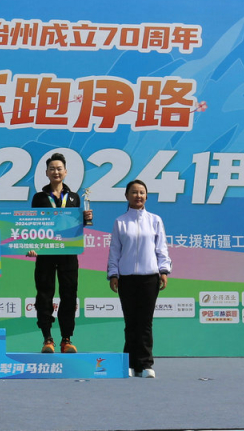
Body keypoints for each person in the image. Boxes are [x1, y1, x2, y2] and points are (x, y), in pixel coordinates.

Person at [28, 153, 92, 354]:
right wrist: (32, 245)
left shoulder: (74, 198)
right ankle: (47, 338)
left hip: (68, 253)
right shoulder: (39, 197)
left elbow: (74, 226)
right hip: (46, 253)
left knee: (69, 295)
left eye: (59, 168)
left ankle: (66, 339)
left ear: (65, 172)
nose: (56, 172)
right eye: (52, 169)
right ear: (46, 173)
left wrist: (85, 219)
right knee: (44, 295)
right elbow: (33, 224)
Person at [107, 179, 171, 378]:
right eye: (134, 192)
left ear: (146, 196)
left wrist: (163, 270)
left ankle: (145, 365)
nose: (138, 196)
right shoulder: (120, 222)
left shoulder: (155, 220)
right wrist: (113, 274)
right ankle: (129, 363)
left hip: (149, 278)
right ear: (126, 196)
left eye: (142, 192)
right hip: (126, 279)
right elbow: (114, 250)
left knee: (145, 323)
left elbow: (161, 248)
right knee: (130, 322)